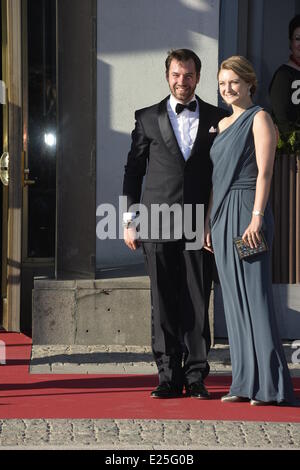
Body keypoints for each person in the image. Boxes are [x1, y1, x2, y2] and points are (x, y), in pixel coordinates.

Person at [123, 49, 228, 399]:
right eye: (176, 75)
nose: (182, 81)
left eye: (188, 75)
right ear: (167, 76)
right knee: (163, 302)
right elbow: (133, 171)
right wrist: (129, 220)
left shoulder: (219, 117)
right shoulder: (147, 117)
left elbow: (222, 173)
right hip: (156, 221)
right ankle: (168, 375)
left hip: (201, 223)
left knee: (198, 300)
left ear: (198, 77)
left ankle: (196, 375)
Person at [204, 56, 295, 405]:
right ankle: (244, 383)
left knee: (255, 298)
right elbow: (216, 179)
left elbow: (265, 173)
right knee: (235, 302)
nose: (228, 89)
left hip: (248, 213)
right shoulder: (223, 123)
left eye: (234, 83)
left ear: (249, 84)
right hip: (224, 215)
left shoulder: (260, 118)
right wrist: (210, 221)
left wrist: (257, 217)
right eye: (223, 83)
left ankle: (270, 386)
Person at [269, 14, 300, 136]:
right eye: (298, 39)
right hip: (293, 150)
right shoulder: (283, 75)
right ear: (290, 42)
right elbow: (281, 118)